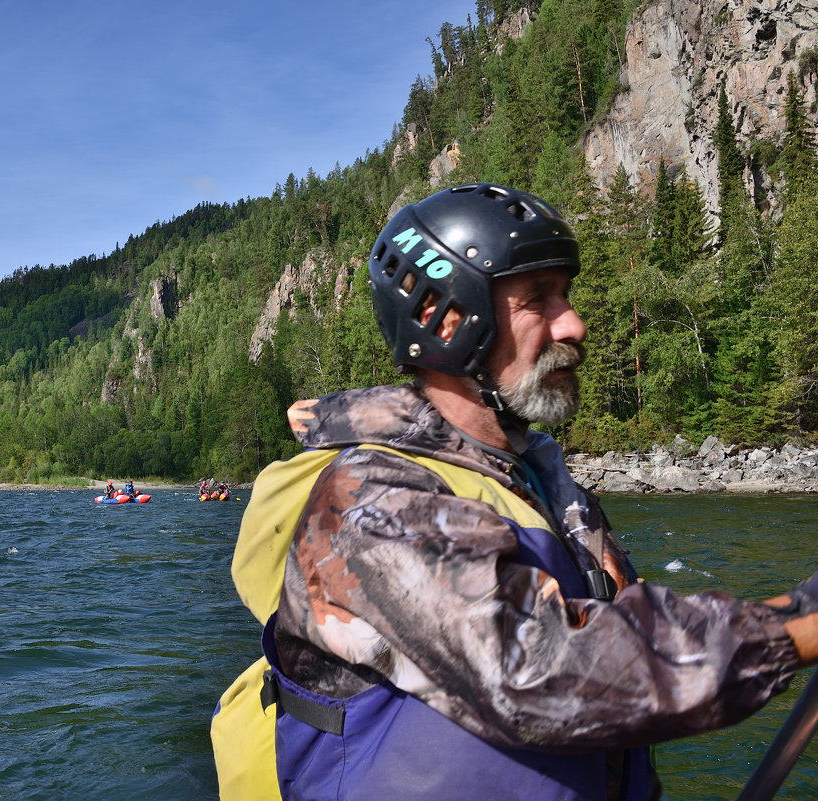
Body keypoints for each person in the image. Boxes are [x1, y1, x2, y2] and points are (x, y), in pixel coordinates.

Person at [211, 182, 818, 801]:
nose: (574, 325)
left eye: (567, 296)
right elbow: (544, 665)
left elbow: (625, 636)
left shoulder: (537, 481)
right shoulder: (370, 499)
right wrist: (796, 629)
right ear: (445, 320)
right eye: (537, 301)